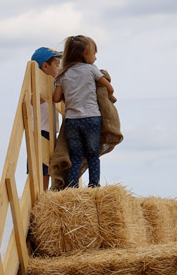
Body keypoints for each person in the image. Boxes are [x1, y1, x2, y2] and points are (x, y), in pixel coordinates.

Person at [53, 35, 115, 188]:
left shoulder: (63, 73)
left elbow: (56, 98)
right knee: (93, 155)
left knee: (75, 156)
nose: (95, 57)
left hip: (72, 121)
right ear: (84, 54)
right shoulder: (92, 70)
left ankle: (72, 187)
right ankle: (94, 185)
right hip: (92, 118)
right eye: (94, 53)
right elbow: (110, 88)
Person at [30, 46, 62, 190]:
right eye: (56, 65)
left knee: (48, 167)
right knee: (41, 168)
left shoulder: (51, 85)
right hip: (40, 130)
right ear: (45, 66)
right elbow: (33, 100)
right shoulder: (37, 86)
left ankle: (43, 195)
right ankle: (40, 196)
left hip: (48, 130)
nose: (59, 68)